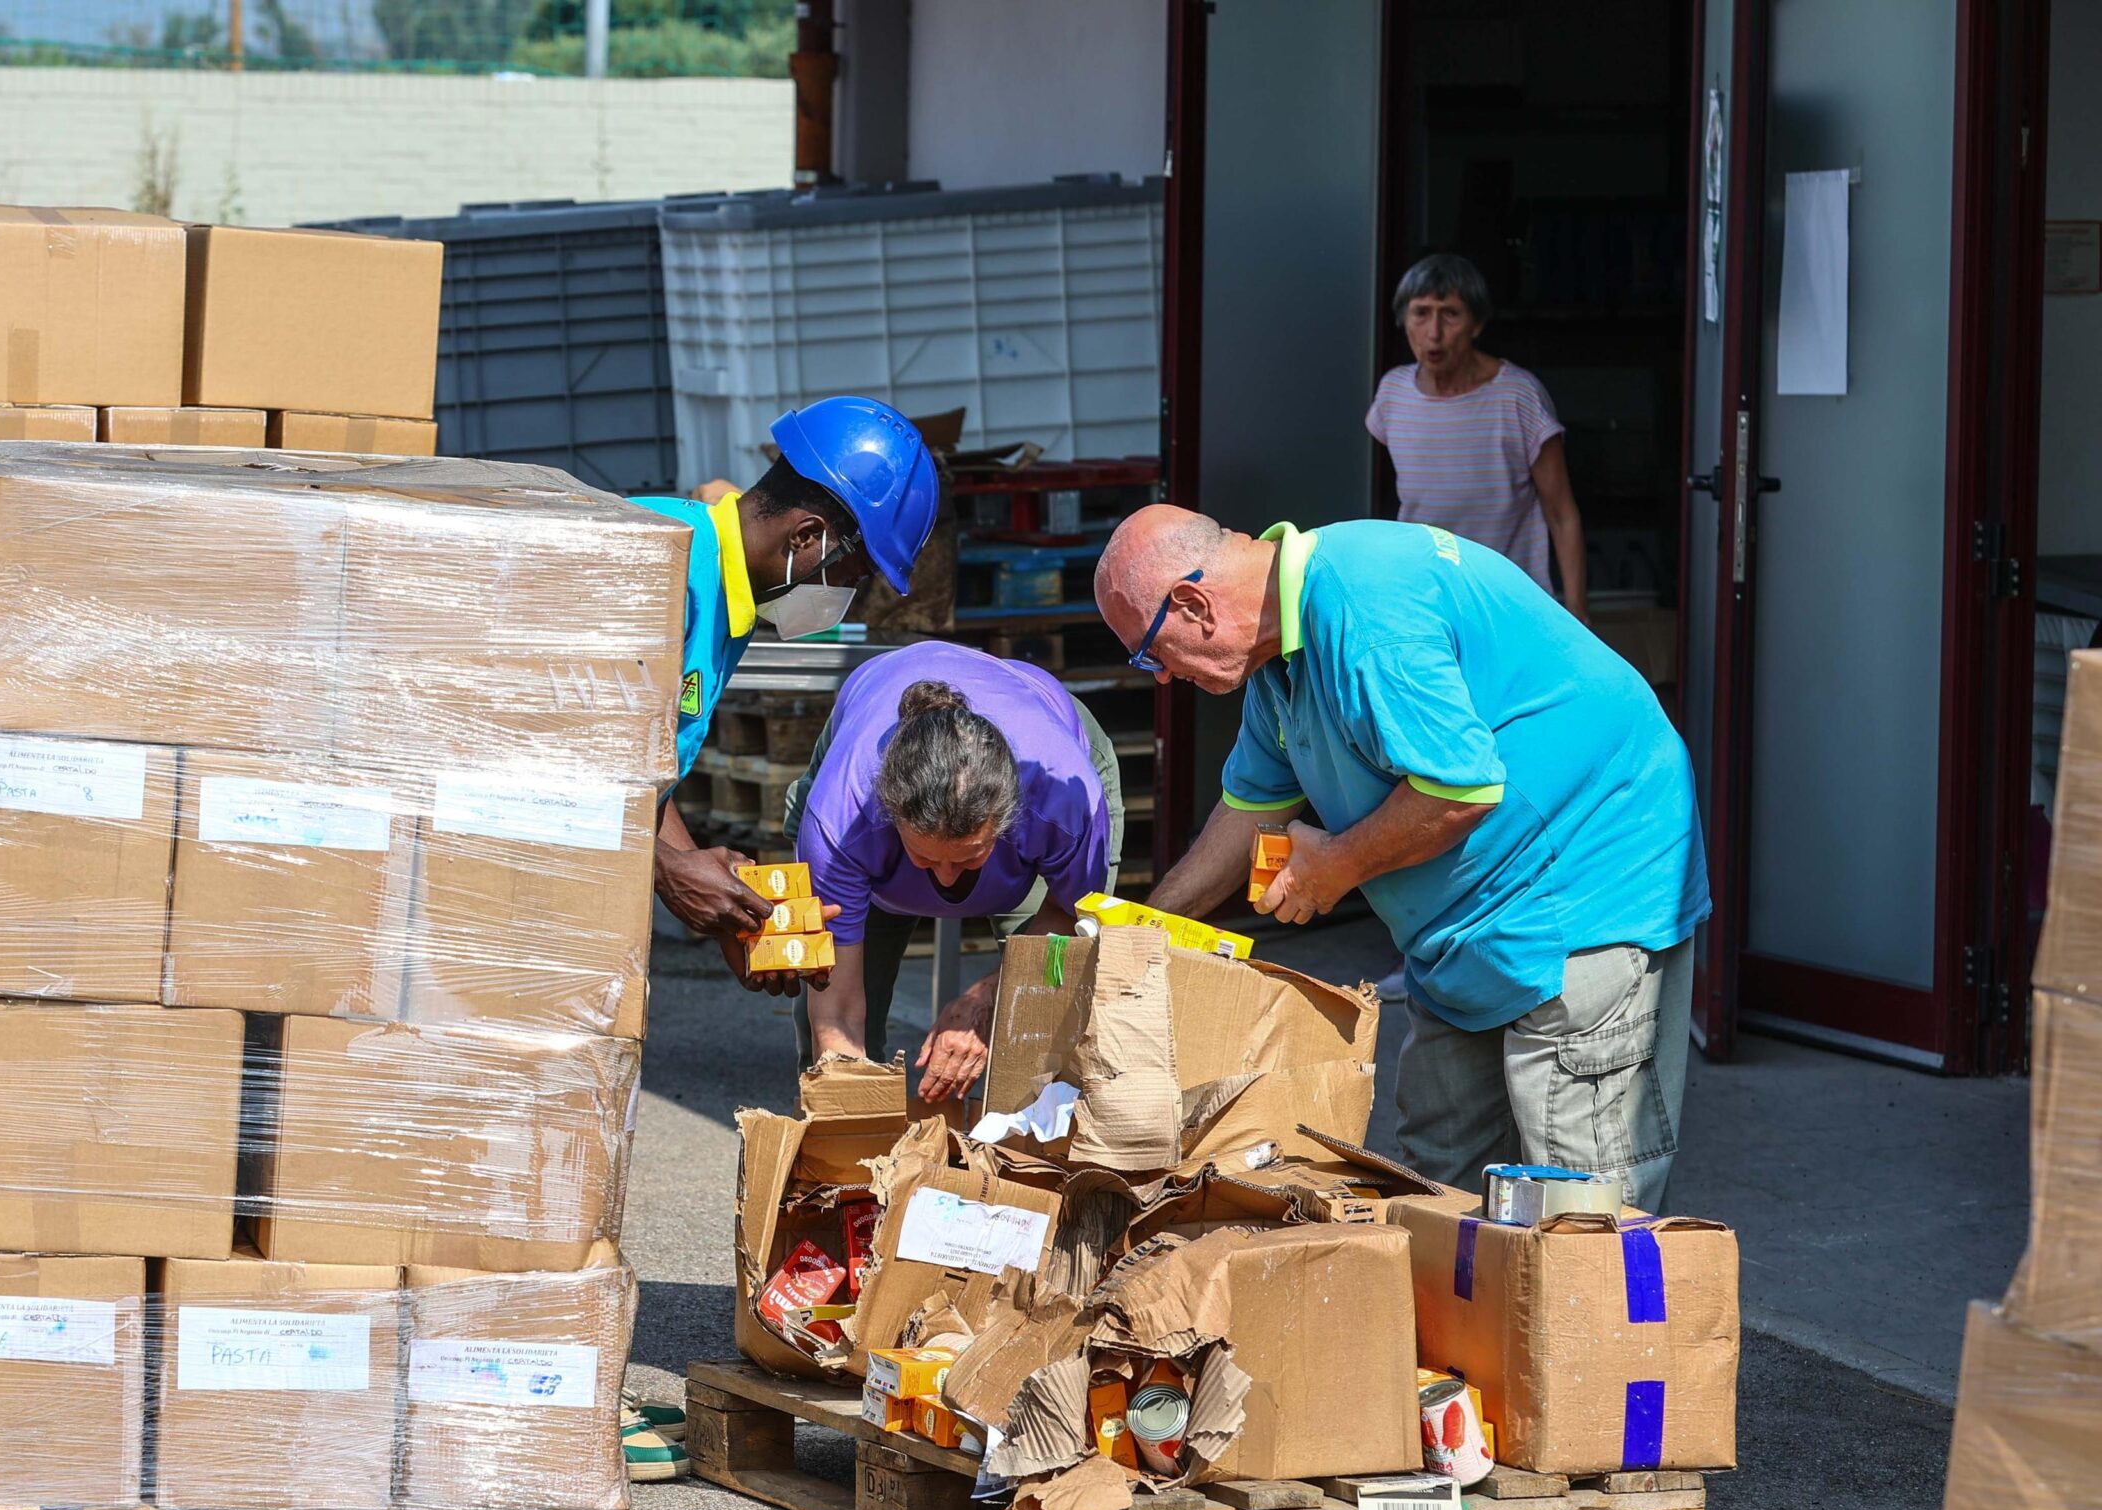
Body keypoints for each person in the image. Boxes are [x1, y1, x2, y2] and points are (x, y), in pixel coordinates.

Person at [1093, 506, 1706, 1212]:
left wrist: (1336, 866)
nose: (1161, 678)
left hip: (1588, 882)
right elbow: (1250, 809)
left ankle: (1604, 1321)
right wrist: (1141, 928)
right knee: (1436, 1182)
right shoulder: (1275, 666)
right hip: (1466, 928)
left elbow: (1460, 790)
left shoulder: (1366, 606)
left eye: (1149, 653)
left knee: (1582, 1203)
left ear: (1194, 605)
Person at [633, 397, 942, 993]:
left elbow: (629, 763)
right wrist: (667, 869)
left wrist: (709, 888)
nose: (848, 597)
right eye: (853, 577)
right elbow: (536, 757)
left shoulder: (726, 596)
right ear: (807, 537)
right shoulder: (653, 572)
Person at [784, 640, 1122, 1102]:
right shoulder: (841, 819)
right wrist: (850, 1114)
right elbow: (837, 1010)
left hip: (1045, 744)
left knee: (1045, 1003)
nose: (945, 879)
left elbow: (1069, 923)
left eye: (967, 858)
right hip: (866, 794)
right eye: (923, 857)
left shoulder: (1064, 798)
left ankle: (1026, 1151)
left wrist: (987, 999)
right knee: (828, 1035)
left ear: (1008, 823)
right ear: (889, 815)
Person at [1367, 253, 1589, 622]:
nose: (1433, 333)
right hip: (1423, 597)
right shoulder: (1393, 394)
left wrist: (1577, 611)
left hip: (1508, 598)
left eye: (1450, 314)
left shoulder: (1518, 394)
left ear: (1476, 323)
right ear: (1403, 319)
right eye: (1421, 313)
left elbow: (1561, 512)